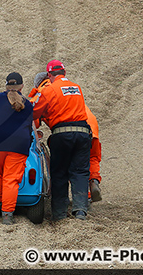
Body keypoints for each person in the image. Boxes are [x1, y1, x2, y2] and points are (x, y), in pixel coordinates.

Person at [31, 60, 91, 221]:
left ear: (49, 75)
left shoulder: (49, 90)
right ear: (64, 72)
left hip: (62, 134)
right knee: (80, 172)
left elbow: (34, 113)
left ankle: (59, 214)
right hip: (84, 134)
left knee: (59, 174)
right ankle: (80, 211)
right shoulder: (76, 88)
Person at [30, 72, 103, 203]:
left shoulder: (43, 92)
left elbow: (32, 118)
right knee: (89, 159)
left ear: (37, 84)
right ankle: (93, 182)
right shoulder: (67, 89)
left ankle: (66, 202)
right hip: (89, 126)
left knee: (67, 165)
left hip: (67, 130)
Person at [0, 72, 34, 225]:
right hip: (19, 145)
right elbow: (30, 125)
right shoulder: (28, 104)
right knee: (11, 180)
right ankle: (7, 215)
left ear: (6, 85)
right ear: (22, 86)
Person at [85, 106, 102, 202]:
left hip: (77, 131)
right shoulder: (77, 99)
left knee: (75, 163)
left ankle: (86, 195)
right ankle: (94, 181)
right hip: (92, 131)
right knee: (93, 158)